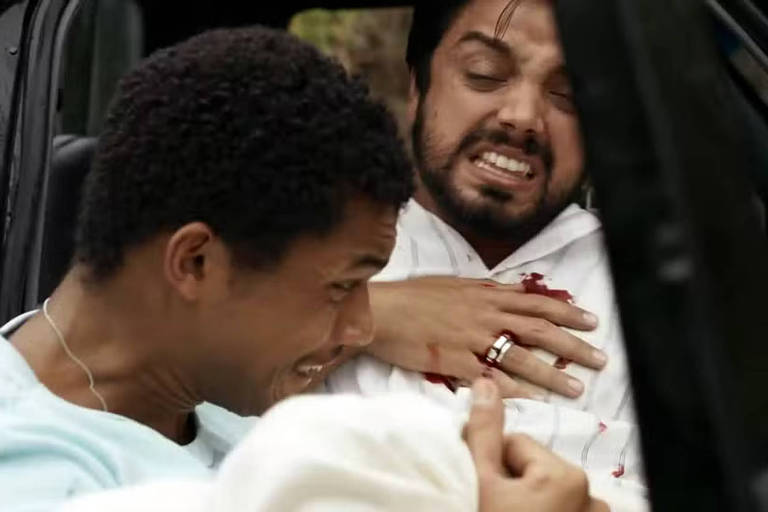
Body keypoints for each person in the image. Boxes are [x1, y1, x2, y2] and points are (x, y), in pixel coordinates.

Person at [0, 25, 607, 512]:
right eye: (344, 286)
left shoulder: (210, 404)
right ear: (196, 262)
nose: (365, 325)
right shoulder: (29, 466)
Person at [326, 0, 645, 491]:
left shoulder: (662, 285)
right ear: (417, 85)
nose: (523, 117)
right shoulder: (309, 249)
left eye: (568, 93)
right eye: (485, 74)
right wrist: (367, 314)